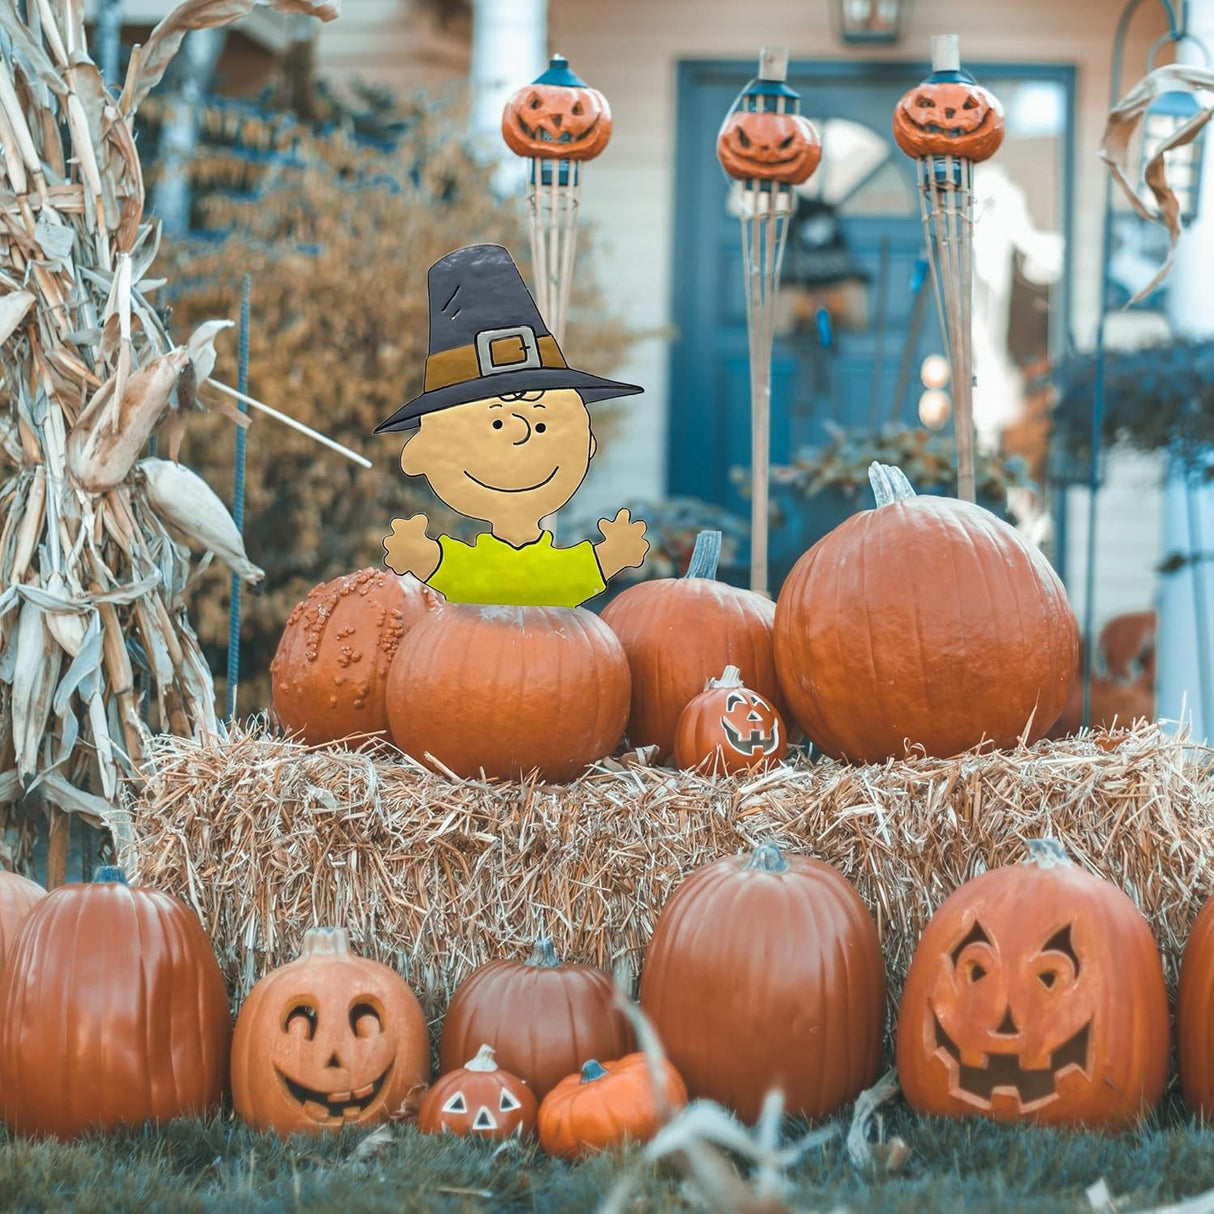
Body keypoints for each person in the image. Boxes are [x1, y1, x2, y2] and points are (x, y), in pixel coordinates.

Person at [375, 244, 649, 608]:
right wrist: (420, 555)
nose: (520, 432)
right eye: (496, 423)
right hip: (470, 650)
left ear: (587, 444)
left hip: (561, 654)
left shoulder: (554, 570)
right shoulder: (471, 569)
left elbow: (579, 572)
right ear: (420, 453)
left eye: (540, 426)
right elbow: (450, 569)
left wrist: (615, 554)